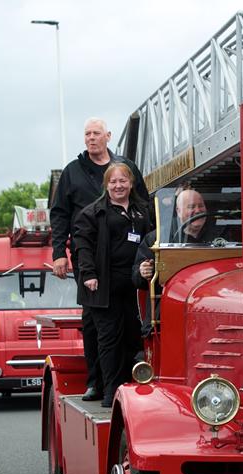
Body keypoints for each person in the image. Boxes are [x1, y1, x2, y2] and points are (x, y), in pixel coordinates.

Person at [50, 118, 150, 402]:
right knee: (96, 324)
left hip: (128, 264)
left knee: (133, 323)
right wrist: (59, 253)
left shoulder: (126, 168)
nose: (91, 138)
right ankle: (97, 381)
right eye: (87, 134)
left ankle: (132, 379)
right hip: (89, 258)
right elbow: (59, 214)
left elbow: (144, 206)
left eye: (96, 133)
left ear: (108, 136)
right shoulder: (72, 172)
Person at [73, 162, 152, 408]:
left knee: (133, 337)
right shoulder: (91, 213)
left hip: (135, 285)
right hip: (103, 287)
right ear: (106, 185)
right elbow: (82, 245)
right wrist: (88, 274)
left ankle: (134, 388)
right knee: (108, 341)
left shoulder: (143, 211)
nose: (118, 186)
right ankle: (111, 392)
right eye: (113, 182)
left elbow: (152, 239)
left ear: (131, 183)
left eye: (123, 181)